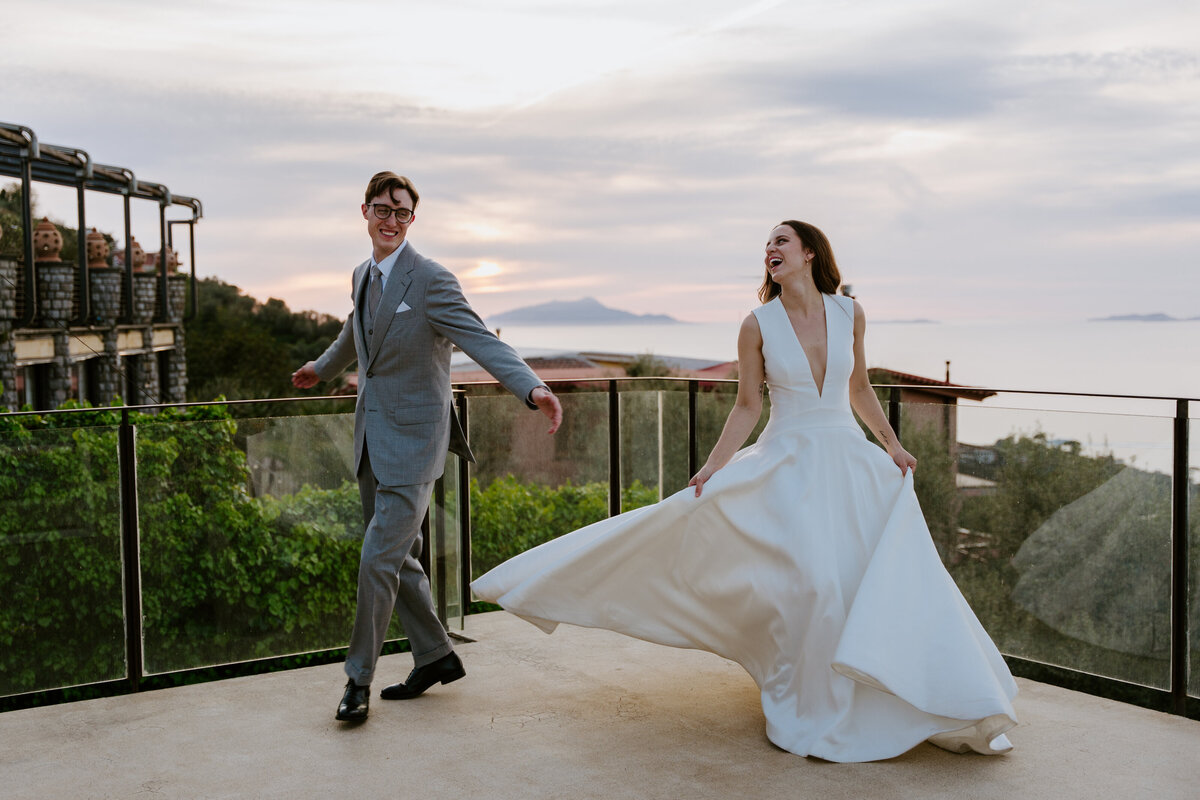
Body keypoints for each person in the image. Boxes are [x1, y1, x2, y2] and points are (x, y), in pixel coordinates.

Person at [472, 220, 1017, 762]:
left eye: (781, 241)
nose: (770, 250)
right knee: (814, 585)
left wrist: (893, 447)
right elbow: (747, 406)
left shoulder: (851, 312)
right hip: (788, 464)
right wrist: (711, 468)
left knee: (860, 580)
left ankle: (890, 690)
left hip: (851, 463)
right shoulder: (758, 324)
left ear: (809, 253)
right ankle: (817, 703)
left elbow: (859, 389)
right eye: (767, 245)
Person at [293, 171, 562, 722]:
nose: (391, 220)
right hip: (371, 436)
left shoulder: (432, 280)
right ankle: (437, 655)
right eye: (382, 210)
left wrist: (531, 388)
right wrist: (321, 368)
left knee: (376, 559)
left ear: (412, 220)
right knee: (401, 558)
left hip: (415, 446)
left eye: (402, 212)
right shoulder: (363, 274)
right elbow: (356, 331)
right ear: (363, 212)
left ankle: (356, 681)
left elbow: (481, 338)